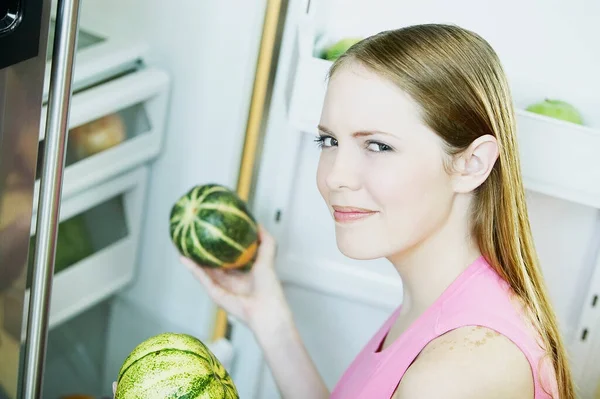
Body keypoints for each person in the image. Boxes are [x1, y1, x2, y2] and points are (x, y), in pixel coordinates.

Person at [117, 23, 575, 398]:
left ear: (470, 164)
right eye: (329, 141)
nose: (336, 175)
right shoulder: (443, 302)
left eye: (377, 145)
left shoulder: (461, 372)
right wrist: (268, 316)